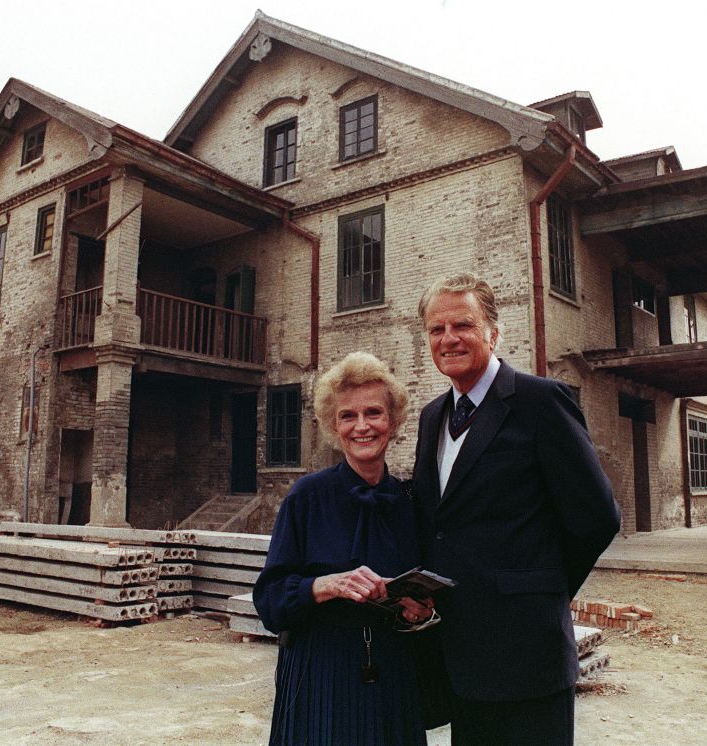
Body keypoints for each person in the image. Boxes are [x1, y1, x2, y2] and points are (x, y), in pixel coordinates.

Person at [412, 272, 621, 744]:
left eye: (462, 325)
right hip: (458, 648)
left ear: (492, 331)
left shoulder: (541, 402)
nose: (449, 339)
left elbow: (597, 517)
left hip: (527, 649)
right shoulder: (432, 418)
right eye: (436, 329)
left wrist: (537, 588)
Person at [253, 352, 433, 745]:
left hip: (393, 678)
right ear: (334, 427)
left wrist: (421, 610)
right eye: (348, 416)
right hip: (321, 676)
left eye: (374, 413)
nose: (362, 426)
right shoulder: (306, 497)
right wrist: (327, 585)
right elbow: (268, 601)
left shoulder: (410, 502)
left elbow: (425, 597)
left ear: (394, 421)